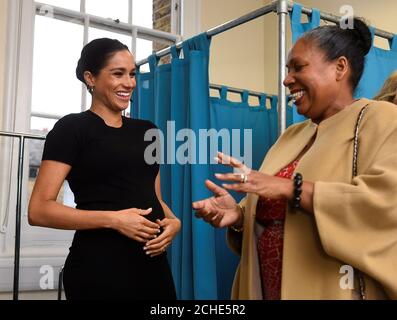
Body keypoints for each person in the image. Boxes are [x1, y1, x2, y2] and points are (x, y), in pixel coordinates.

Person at [193, 18, 397, 300]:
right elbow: (275, 217)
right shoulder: (291, 136)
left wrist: (292, 188)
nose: (287, 79)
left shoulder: (381, 118)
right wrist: (239, 215)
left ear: (340, 68)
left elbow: (386, 204)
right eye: (287, 69)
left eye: (298, 67)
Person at [28, 38, 180, 300]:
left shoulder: (149, 132)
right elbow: (39, 210)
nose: (129, 83)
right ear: (91, 78)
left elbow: (153, 197)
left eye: (132, 74)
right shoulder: (72, 129)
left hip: (153, 265)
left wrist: (174, 222)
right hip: (100, 268)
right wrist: (115, 219)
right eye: (118, 74)